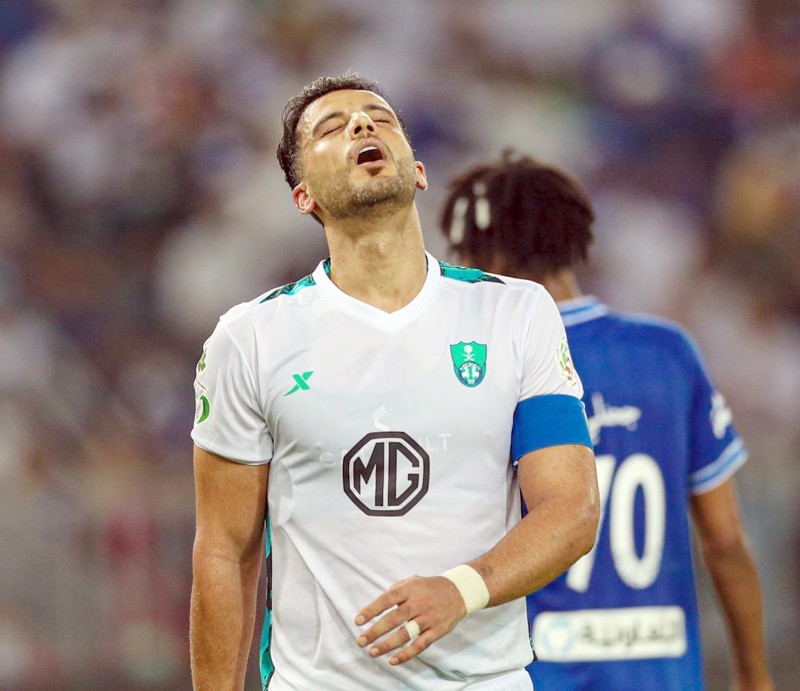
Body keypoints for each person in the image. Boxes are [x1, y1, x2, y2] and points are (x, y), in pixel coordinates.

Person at [189, 75, 600, 690]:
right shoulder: (250, 337)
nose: (362, 125)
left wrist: (461, 590)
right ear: (303, 197)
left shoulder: (515, 311)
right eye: (331, 128)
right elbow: (225, 549)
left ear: (419, 172)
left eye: (380, 118)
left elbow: (572, 508)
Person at [440, 151, 774, 691]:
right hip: (661, 674)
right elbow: (725, 541)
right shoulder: (668, 353)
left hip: (532, 673)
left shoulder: (479, 367)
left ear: (486, 252)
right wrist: (754, 676)